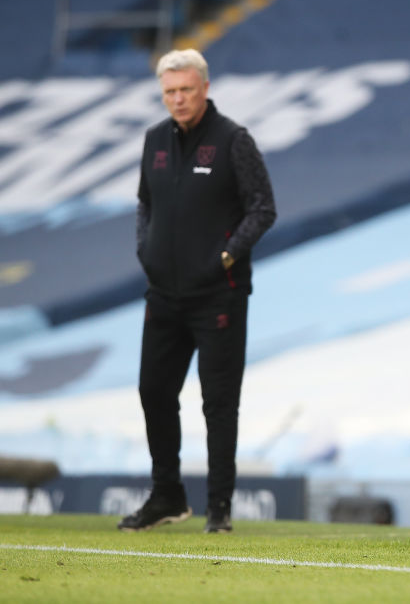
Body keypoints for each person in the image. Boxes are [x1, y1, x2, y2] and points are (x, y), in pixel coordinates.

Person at [117, 49, 277, 534]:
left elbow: (263, 208)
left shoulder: (234, 141)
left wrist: (225, 257)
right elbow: (145, 203)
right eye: (169, 91)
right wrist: (144, 249)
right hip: (163, 293)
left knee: (218, 401)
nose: (178, 99)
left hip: (218, 296)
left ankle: (219, 510)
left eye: (186, 89)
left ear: (204, 88)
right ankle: (167, 496)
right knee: (153, 391)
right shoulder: (154, 140)